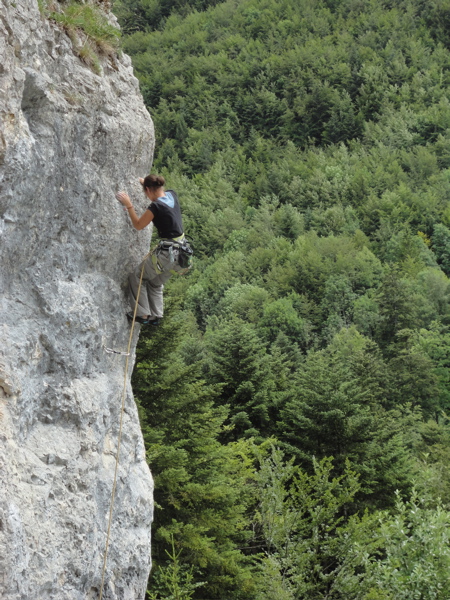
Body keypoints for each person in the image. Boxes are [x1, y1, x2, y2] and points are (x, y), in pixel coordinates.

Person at [116, 174, 189, 326]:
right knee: (155, 283)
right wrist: (145, 182)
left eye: (146, 192)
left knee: (137, 277)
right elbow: (159, 191)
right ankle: (156, 315)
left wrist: (129, 205)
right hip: (181, 254)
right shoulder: (172, 195)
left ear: (148, 190)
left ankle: (142, 313)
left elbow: (138, 225)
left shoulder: (156, 206)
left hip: (166, 254)